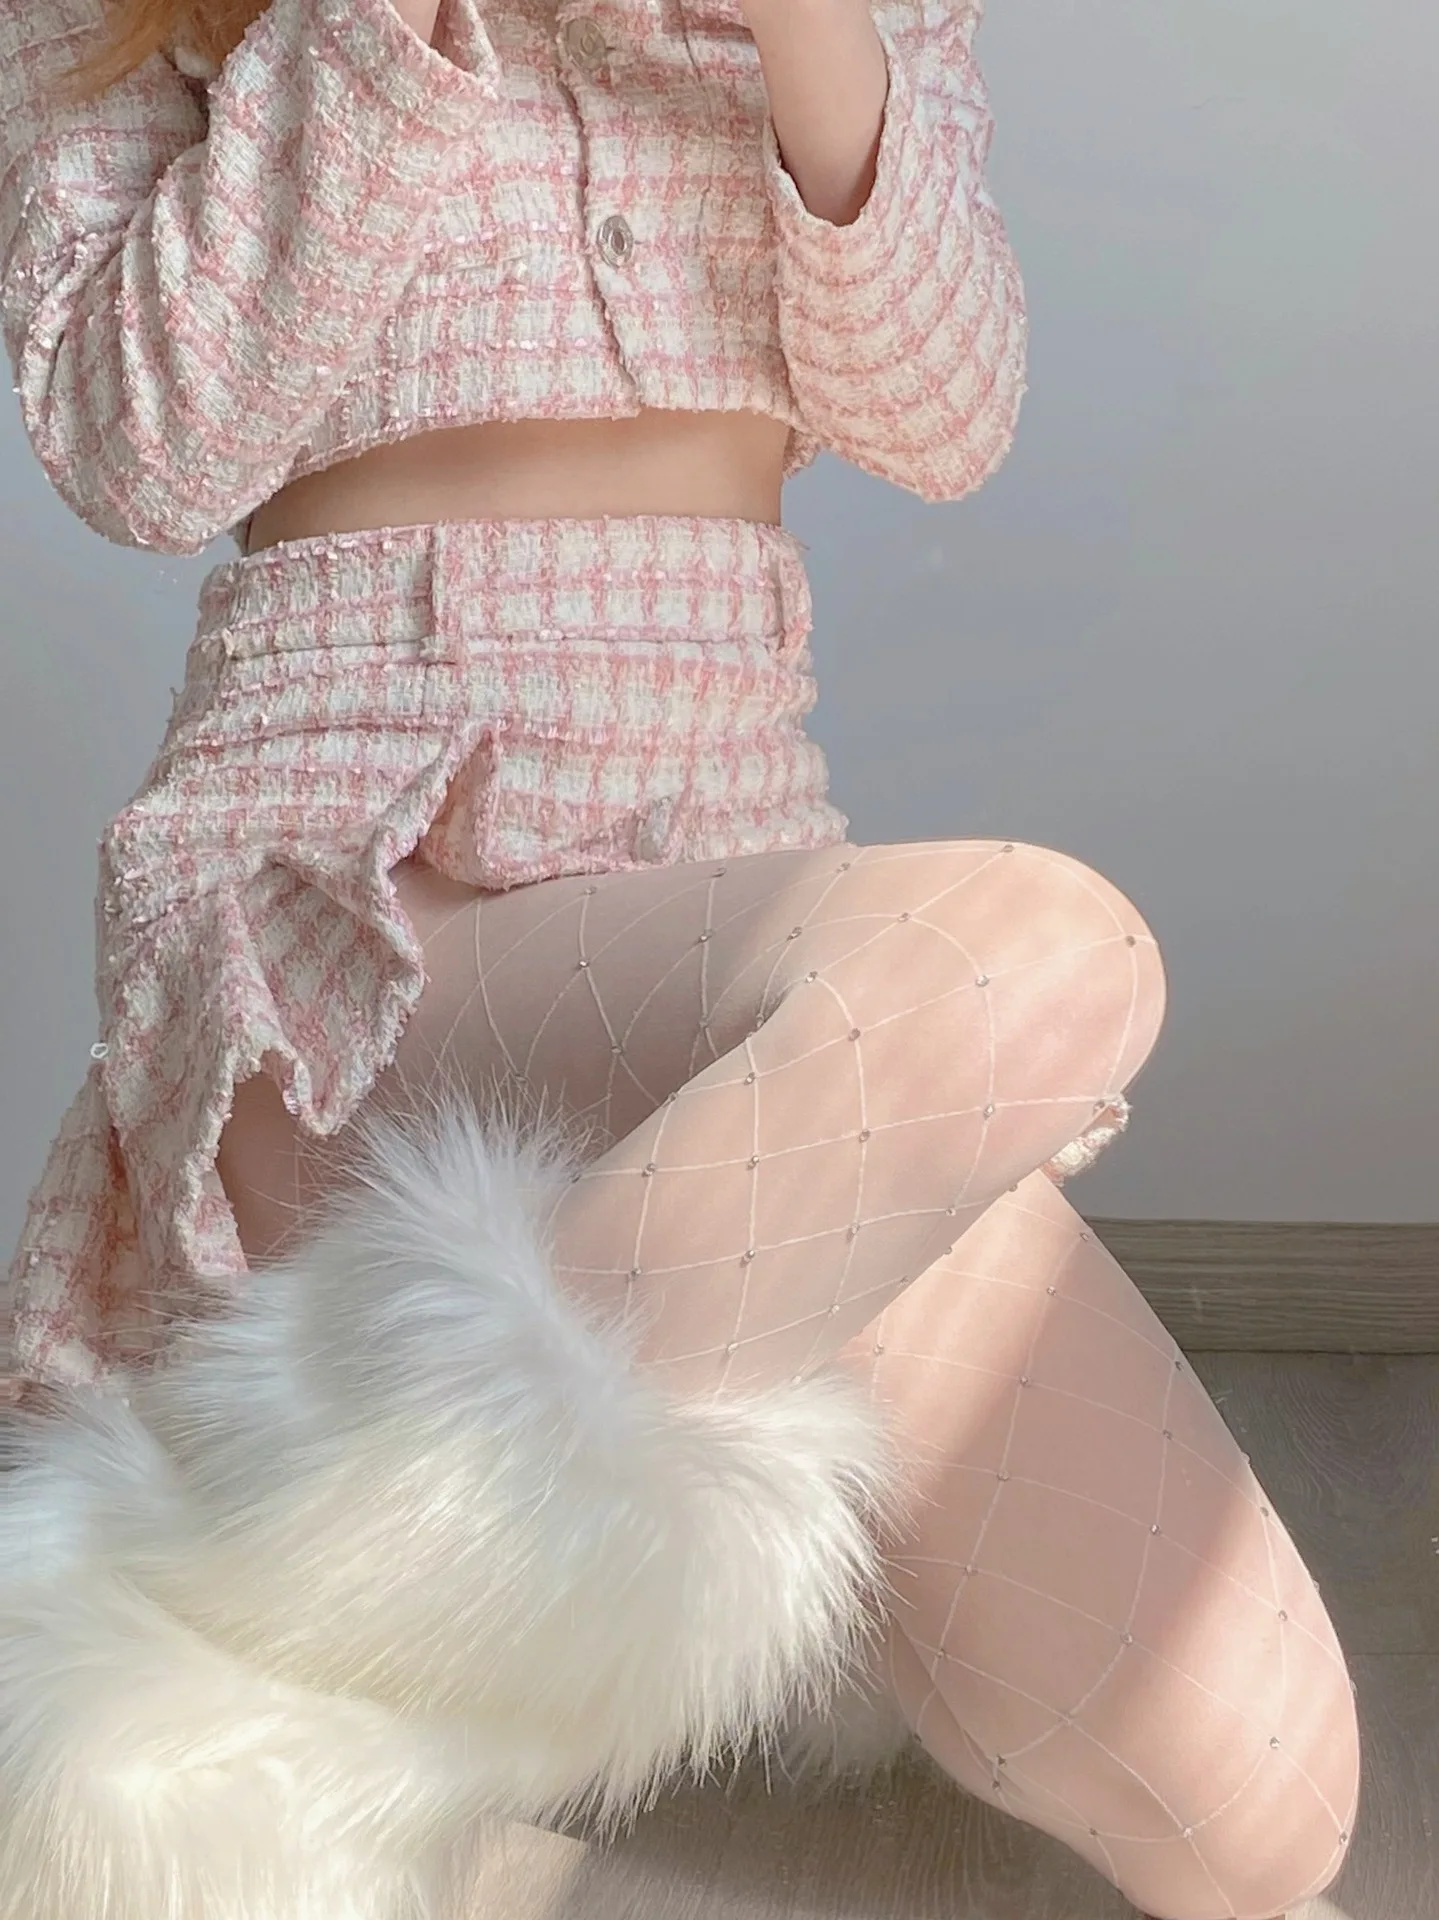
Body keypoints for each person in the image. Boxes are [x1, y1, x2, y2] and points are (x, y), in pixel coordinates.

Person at [0, 0, 1359, 1913]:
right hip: (356, 905)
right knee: (1037, 960)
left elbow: (943, 415)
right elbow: (138, 447)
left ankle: (321, 1651)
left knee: (1268, 1813)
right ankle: (318, 1673)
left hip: (718, 890)